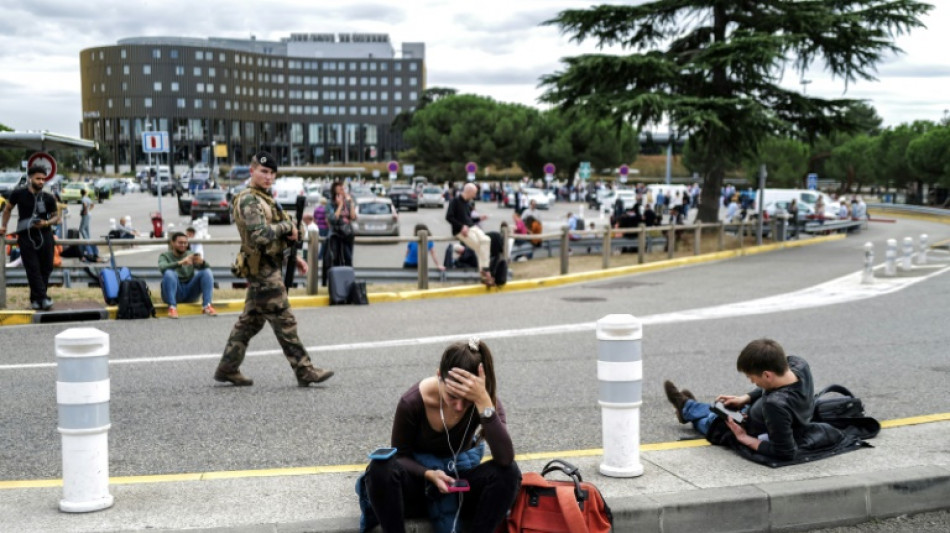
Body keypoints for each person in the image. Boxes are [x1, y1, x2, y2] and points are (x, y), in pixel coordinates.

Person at [360, 338, 521, 533]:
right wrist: (429, 474)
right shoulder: (412, 402)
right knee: (380, 467)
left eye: (467, 399)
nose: (459, 407)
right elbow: (401, 456)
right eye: (452, 396)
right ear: (439, 376)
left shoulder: (484, 401)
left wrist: (483, 403)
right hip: (420, 485)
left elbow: (505, 458)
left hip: (458, 486)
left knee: (509, 473)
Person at [215, 151, 334, 388]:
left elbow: (286, 230)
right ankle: (304, 370)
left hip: (269, 265)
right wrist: (285, 227)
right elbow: (259, 235)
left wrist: (294, 255)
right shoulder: (249, 200)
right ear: (252, 171)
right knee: (284, 319)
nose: (268, 177)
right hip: (262, 271)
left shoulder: (266, 198)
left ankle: (227, 368)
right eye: (263, 172)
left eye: (272, 173)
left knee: (250, 321)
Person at [663, 338, 815, 461]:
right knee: (721, 408)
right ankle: (688, 407)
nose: (752, 382)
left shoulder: (775, 405)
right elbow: (771, 387)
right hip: (750, 414)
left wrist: (744, 438)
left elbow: (785, 452)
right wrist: (746, 398)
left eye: (752, 378)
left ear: (767, 375)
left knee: (713, 422)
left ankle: (686, 408)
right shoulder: (798, 365)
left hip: (746, 428)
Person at [0, 166, 61, 310]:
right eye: (38, 178)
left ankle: (36, 299)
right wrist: (4, 226)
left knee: (46, 267)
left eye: (43, 179)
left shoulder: (48, 197)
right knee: (32, 268)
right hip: (26, 235)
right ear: (30, 178)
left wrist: (46, 222)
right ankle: (43, 298)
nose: (41, 182)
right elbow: (8, 209)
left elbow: (56, 217)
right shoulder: (19, 193)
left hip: (45, 234)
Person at [158, 231, 216, 318]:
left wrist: (202, 262)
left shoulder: (190, 254)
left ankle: (207, 305)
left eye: (185, 243)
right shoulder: (164, 256)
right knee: (169, 273)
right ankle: (172, 308)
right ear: (172, 243)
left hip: (190, 291)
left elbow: (207, 270)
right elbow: (162, 268)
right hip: (174, 291)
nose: (183, 245)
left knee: (206, 272)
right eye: (180, 243)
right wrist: (181, 262)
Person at [445, 182, 494, 286]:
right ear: (469, 191)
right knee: (479, 246)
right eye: (474, 193)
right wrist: (461, 226)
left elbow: (469, 219)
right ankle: (485, 273)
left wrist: (479, 218)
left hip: (472, 227)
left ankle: (484, 270)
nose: (475, 196)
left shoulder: (467, 203)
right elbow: (449, 217)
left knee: (486, 240)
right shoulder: (455, 201)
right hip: (461, 230)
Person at [326, 180, 357, 267]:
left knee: (348, 257)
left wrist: (351, 203)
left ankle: (348, 278)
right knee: (335, 258)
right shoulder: (330, 203)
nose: (343, 191)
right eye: (340, 189)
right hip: (335, 233)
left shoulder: (347, 202)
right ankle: (335, 277)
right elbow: (332, 219)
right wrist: (339, 205)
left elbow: (353, 217)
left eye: (343, 189)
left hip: (347, 233)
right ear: (335, 192)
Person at [313, 196, 329, 261]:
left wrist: (317, 224)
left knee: (321, 242)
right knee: (324, 242)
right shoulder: (325, 209)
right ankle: (320, 255)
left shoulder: (317, 209)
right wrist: (329, 226)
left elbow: (314, 218)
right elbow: (326, 220)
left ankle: (320, 255)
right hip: (325, 227)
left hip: (319, 227)